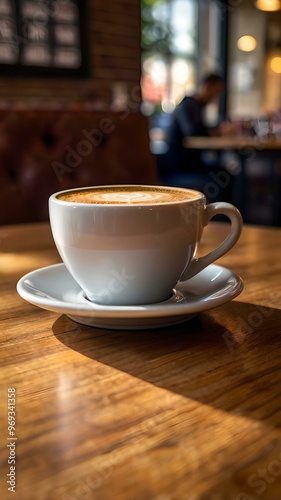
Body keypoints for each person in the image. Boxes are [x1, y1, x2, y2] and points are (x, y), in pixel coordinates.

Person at [160, 73, 234, 202]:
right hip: (179, 168)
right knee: (222, 177)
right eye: (216, 92)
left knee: (226, 173)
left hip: (191, 164)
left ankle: (227, 215)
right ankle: (217, 218)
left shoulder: (196, 106)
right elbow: (193, 133)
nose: (215, 98)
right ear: (207, 87)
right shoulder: (188, 105)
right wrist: (217, 132)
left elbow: (200, 130)